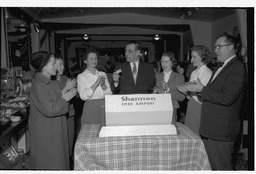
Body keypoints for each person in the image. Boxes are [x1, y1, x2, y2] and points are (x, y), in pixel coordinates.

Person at [186, 34, 246, 170]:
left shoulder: (237, 67)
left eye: (219, 47)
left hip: (221, 130)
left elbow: (227, 97)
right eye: (215, 47)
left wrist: (202, 89)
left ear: (231, 47)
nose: (215, 50)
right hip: (211, 129)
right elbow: (213, 93)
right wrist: (200, 90)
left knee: (221, 167)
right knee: (210, 166)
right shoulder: (220, 66)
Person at [29, 51, 77, 169]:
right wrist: (64, 99)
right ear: (43, 67)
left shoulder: (51, 82)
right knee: (50, 163)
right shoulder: (38, 85)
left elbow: (55, 97)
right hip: (46, 133)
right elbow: (49, 109)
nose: (56, 66)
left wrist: (64, 92)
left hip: (55, 129)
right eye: (53, 63)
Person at [177, 45, 212, 136]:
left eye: (194, 57)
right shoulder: (194, 72)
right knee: (190, 131)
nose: (191, 60)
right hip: (191, 105)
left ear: (202, 57)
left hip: (200, 107)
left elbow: (206, 95)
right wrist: (185, 91)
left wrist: (190, 89)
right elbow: (190, 94)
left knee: (196, 132)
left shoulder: (208, 73)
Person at [77, 48, 112, 124]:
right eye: (91, 59)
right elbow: (83, 96)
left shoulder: (102, 74)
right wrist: (97, 83)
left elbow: (109, 94)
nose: (94, 61)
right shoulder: (81, 76)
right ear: (85, 61)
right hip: (91, 107)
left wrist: (103, 86)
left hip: (104, 105)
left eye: (95, 58)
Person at [54, 54, 77, 161]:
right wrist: (67, 88)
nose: (63, 67)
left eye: (63, 64)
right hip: (58, 117)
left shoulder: (65, 78)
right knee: (59, 144)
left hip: (70, 114)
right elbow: (54, 100)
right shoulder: (50, 82)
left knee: (70, 142)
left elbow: (73, 95)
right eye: (60, 64)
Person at [153, 51, 185, 125]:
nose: (163, 64)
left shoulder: (179, 77)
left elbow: (182, 97)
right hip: (157, 108)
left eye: (166, 62)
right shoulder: (157, 76)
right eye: (162, 62)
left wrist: (168, 89)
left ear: (172, 63)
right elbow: (153, 90)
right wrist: (155, 91)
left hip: (172, 108)